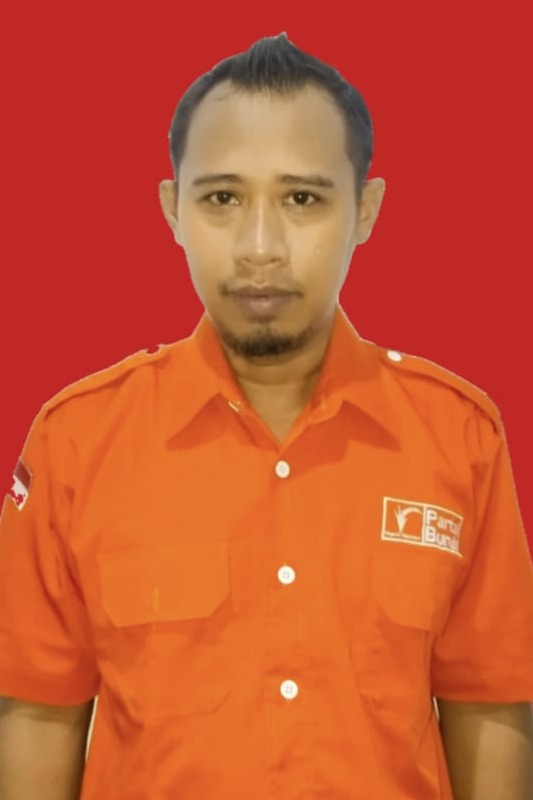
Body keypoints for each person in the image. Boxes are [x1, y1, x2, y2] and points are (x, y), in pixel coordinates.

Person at [0, 32, 532, 800]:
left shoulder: (458, 437)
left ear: (365, 210)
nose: (259, 247)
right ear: (173, 209)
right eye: (222, 198)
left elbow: (489, 702)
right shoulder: (77, 441)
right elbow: (37, 710)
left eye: (301, 199)